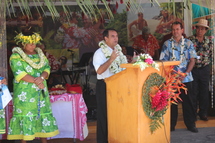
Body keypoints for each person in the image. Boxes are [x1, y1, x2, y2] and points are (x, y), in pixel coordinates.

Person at [7, 31, 59, 143]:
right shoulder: (16, 56)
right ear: (23, 44)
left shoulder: (40, 54)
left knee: (42, 115)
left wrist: (42, 78)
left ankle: (44, 141)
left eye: (34, 43)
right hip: (25, 94)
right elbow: (19, 73)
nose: (33, 46)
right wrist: (38, 82)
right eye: (30, 43)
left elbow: (46, 68)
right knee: (26, 116)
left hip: (41, 92)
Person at [159, 21, 198, 133]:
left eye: (177, 29)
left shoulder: (188, 43)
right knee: (171, 103)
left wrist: (185, 74)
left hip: (186, 78)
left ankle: (191, 124)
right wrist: (171, 74)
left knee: (189, 102)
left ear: (182, 30)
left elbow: (192, 60)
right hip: (171, 79)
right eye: (173, 29)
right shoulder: (167, 44)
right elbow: (163, 62)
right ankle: (171, 125)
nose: (175, 31)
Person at [93, 28, 128, 143]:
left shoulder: (118, 51)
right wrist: (111, 59)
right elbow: (99, 71)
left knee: (116, 114)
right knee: (104, 116)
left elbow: (123, 67)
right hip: (104, 86)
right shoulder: (99, 53)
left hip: (118, 86)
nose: (116, 38)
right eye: (112, 36)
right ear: (105, 38)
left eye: (116, 36)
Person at [188, 19, 213, 121]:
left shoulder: (209, 41)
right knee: (193, 92)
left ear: (206, 30)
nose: (200, 31)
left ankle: (203, 113)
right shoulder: (189, 40)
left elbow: (211, 55)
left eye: (203, 29)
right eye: (199, 28)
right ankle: (193, 113)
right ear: (196, 28)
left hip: (205, 69)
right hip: (193, 69)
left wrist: (210, 69)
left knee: (204, 92)